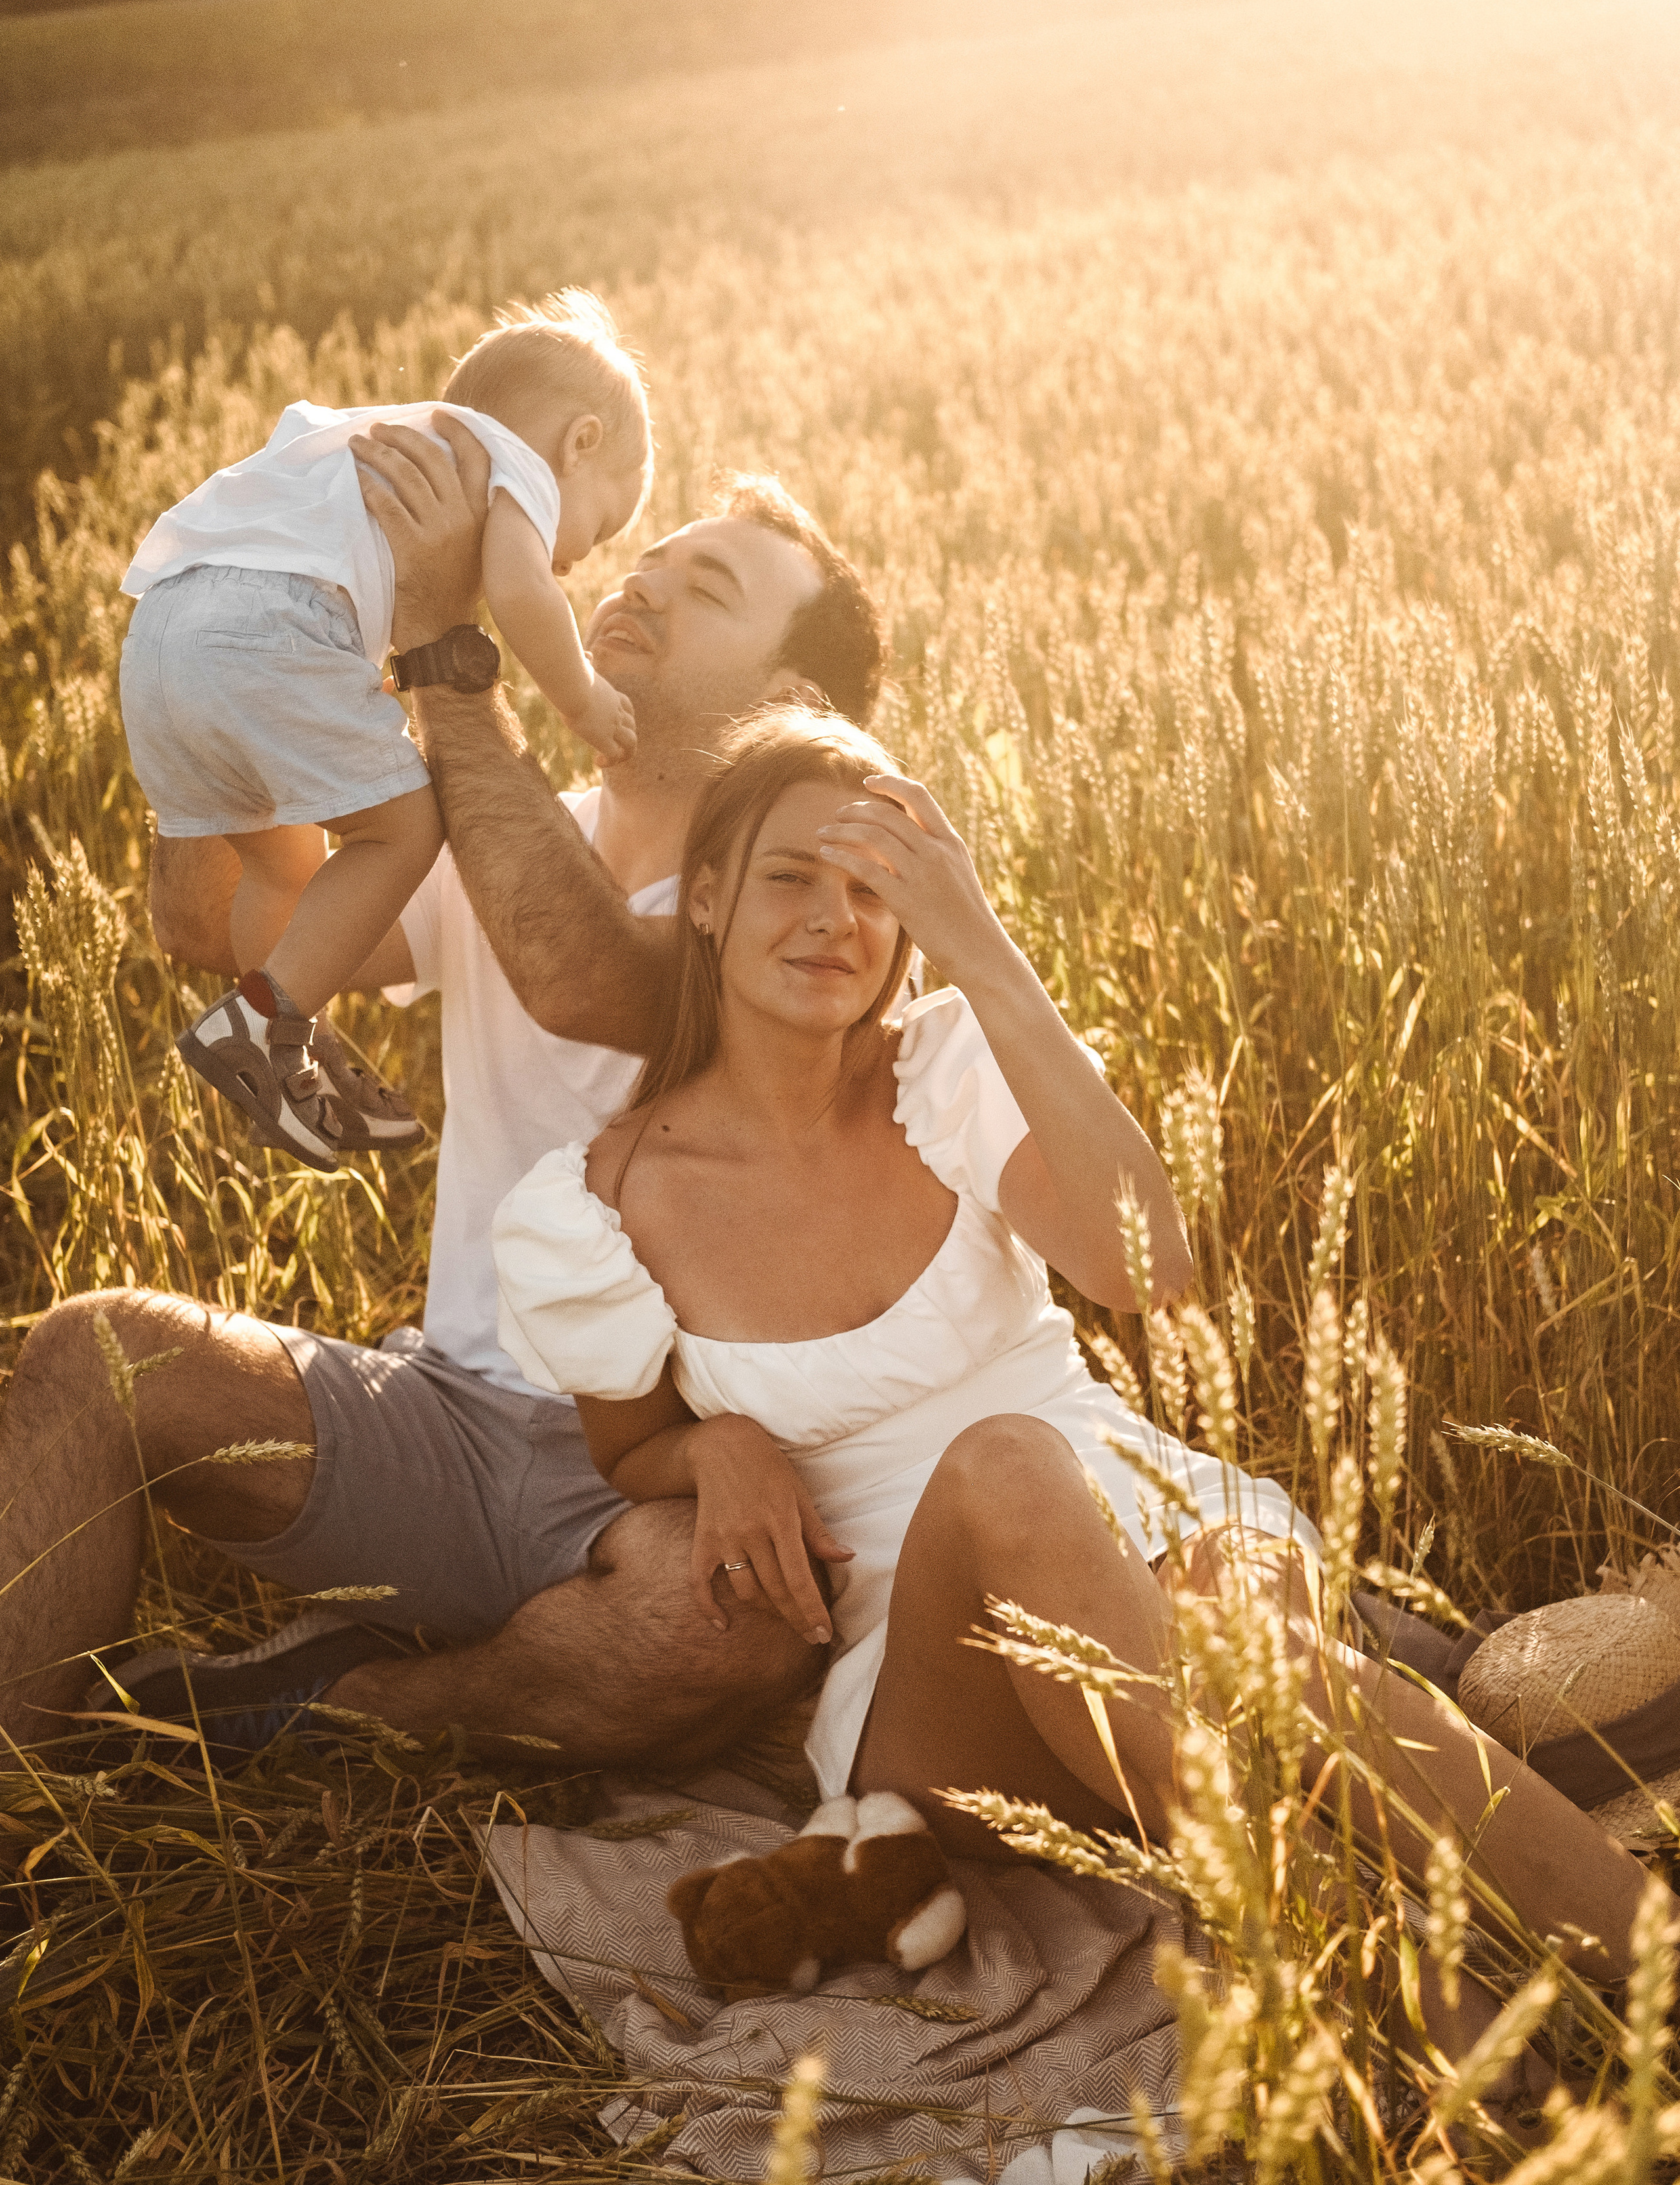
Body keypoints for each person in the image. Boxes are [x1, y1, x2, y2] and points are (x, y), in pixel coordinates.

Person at [489, 699, 1661, 1999]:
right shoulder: (598, 1202)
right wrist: (713, 1444)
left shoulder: (938, 1070)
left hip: (1164, 1534)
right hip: (939, 1686)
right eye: (788, 879)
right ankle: (1427, 2009)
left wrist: (982, 951)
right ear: (704, 898)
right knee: (1005, 1468)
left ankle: (1631, 1987)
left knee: (1251, 1643)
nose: (834, 919)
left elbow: (1140, 1267)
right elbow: (630, 1448)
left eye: (878, 891)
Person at [0, 428, 875, 1770]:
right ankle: (18, 1801)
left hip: (651, 1470)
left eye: (706, 591)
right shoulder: (513, 825)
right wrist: (223, 676)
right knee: (92, 1354)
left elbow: (579, 972)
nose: (639, 586)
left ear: (791, 695)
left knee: (734, 1626)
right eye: (647, 560)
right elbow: (216, 920)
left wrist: (447, 654)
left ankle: (322, 1716)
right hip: (443, 1417)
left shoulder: (792, 917)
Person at [118, 291, 648, 1163]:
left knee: (282, 862)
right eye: (595, 530)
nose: (573, 557)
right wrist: (582, 698)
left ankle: (293, 1035)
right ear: (580, 441)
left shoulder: (398, 434)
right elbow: (521, 592)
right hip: (271, 634)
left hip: (160, 635)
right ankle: (262, 1030)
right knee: (405, 827)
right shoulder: (514, 462)